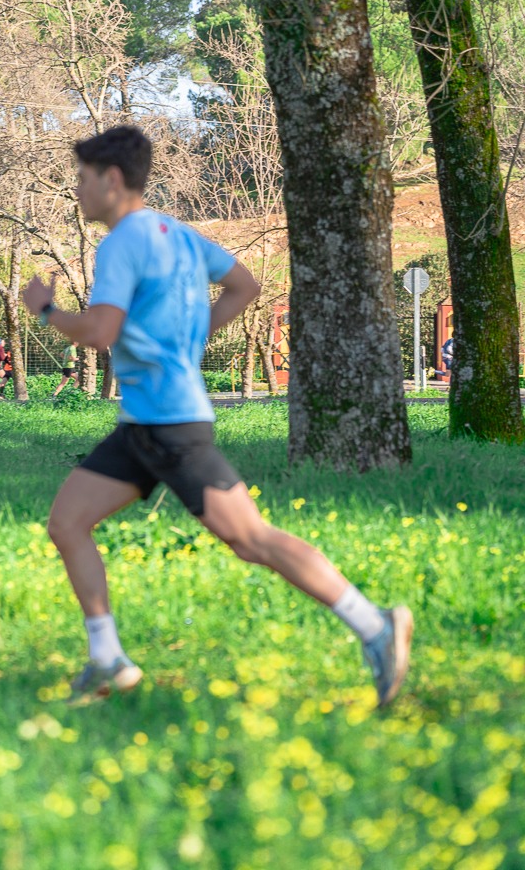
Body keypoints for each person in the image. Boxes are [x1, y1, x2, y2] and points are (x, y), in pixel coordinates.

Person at [22, 126, 413, 708]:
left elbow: (100, 332)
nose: (77, 190)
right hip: (145, 424)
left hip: (169, 425)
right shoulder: (178, 235)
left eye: (82, 179)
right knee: (68, 522)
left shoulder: (122, 242)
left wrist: (46, 310)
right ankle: (107, 658)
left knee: (252, 538)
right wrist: (188, 340)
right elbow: (243, 286)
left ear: (112, 179)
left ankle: (376, 626)